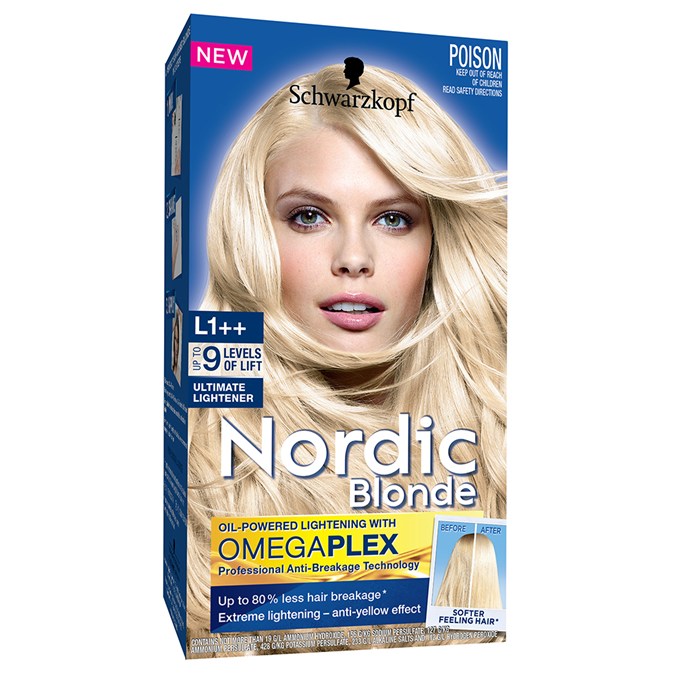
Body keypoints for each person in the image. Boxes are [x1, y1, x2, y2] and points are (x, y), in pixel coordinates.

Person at [187, 63, 506, 643]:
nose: (354, 258)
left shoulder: (504, 440)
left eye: (393, 219)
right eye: (309, 217)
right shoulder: (198, 463)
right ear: (252, 235)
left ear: (437, 242)